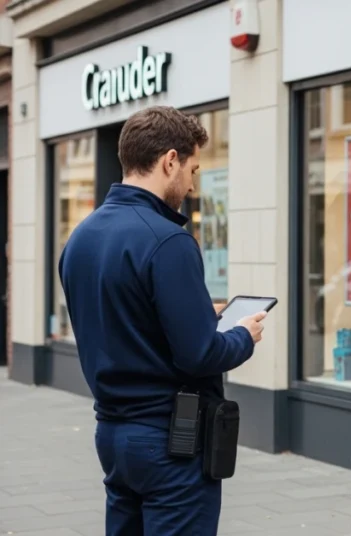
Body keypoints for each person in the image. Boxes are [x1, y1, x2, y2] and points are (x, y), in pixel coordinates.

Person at [58, 106, 267, 535]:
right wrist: (243, 335)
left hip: (113, 435)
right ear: (169, 160)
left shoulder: (81, 237)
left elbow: (120, 315)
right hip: (171, 441)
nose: (191, 184)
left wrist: (193, 312)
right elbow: (200, 355)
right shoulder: (168, 239)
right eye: (191, 169)